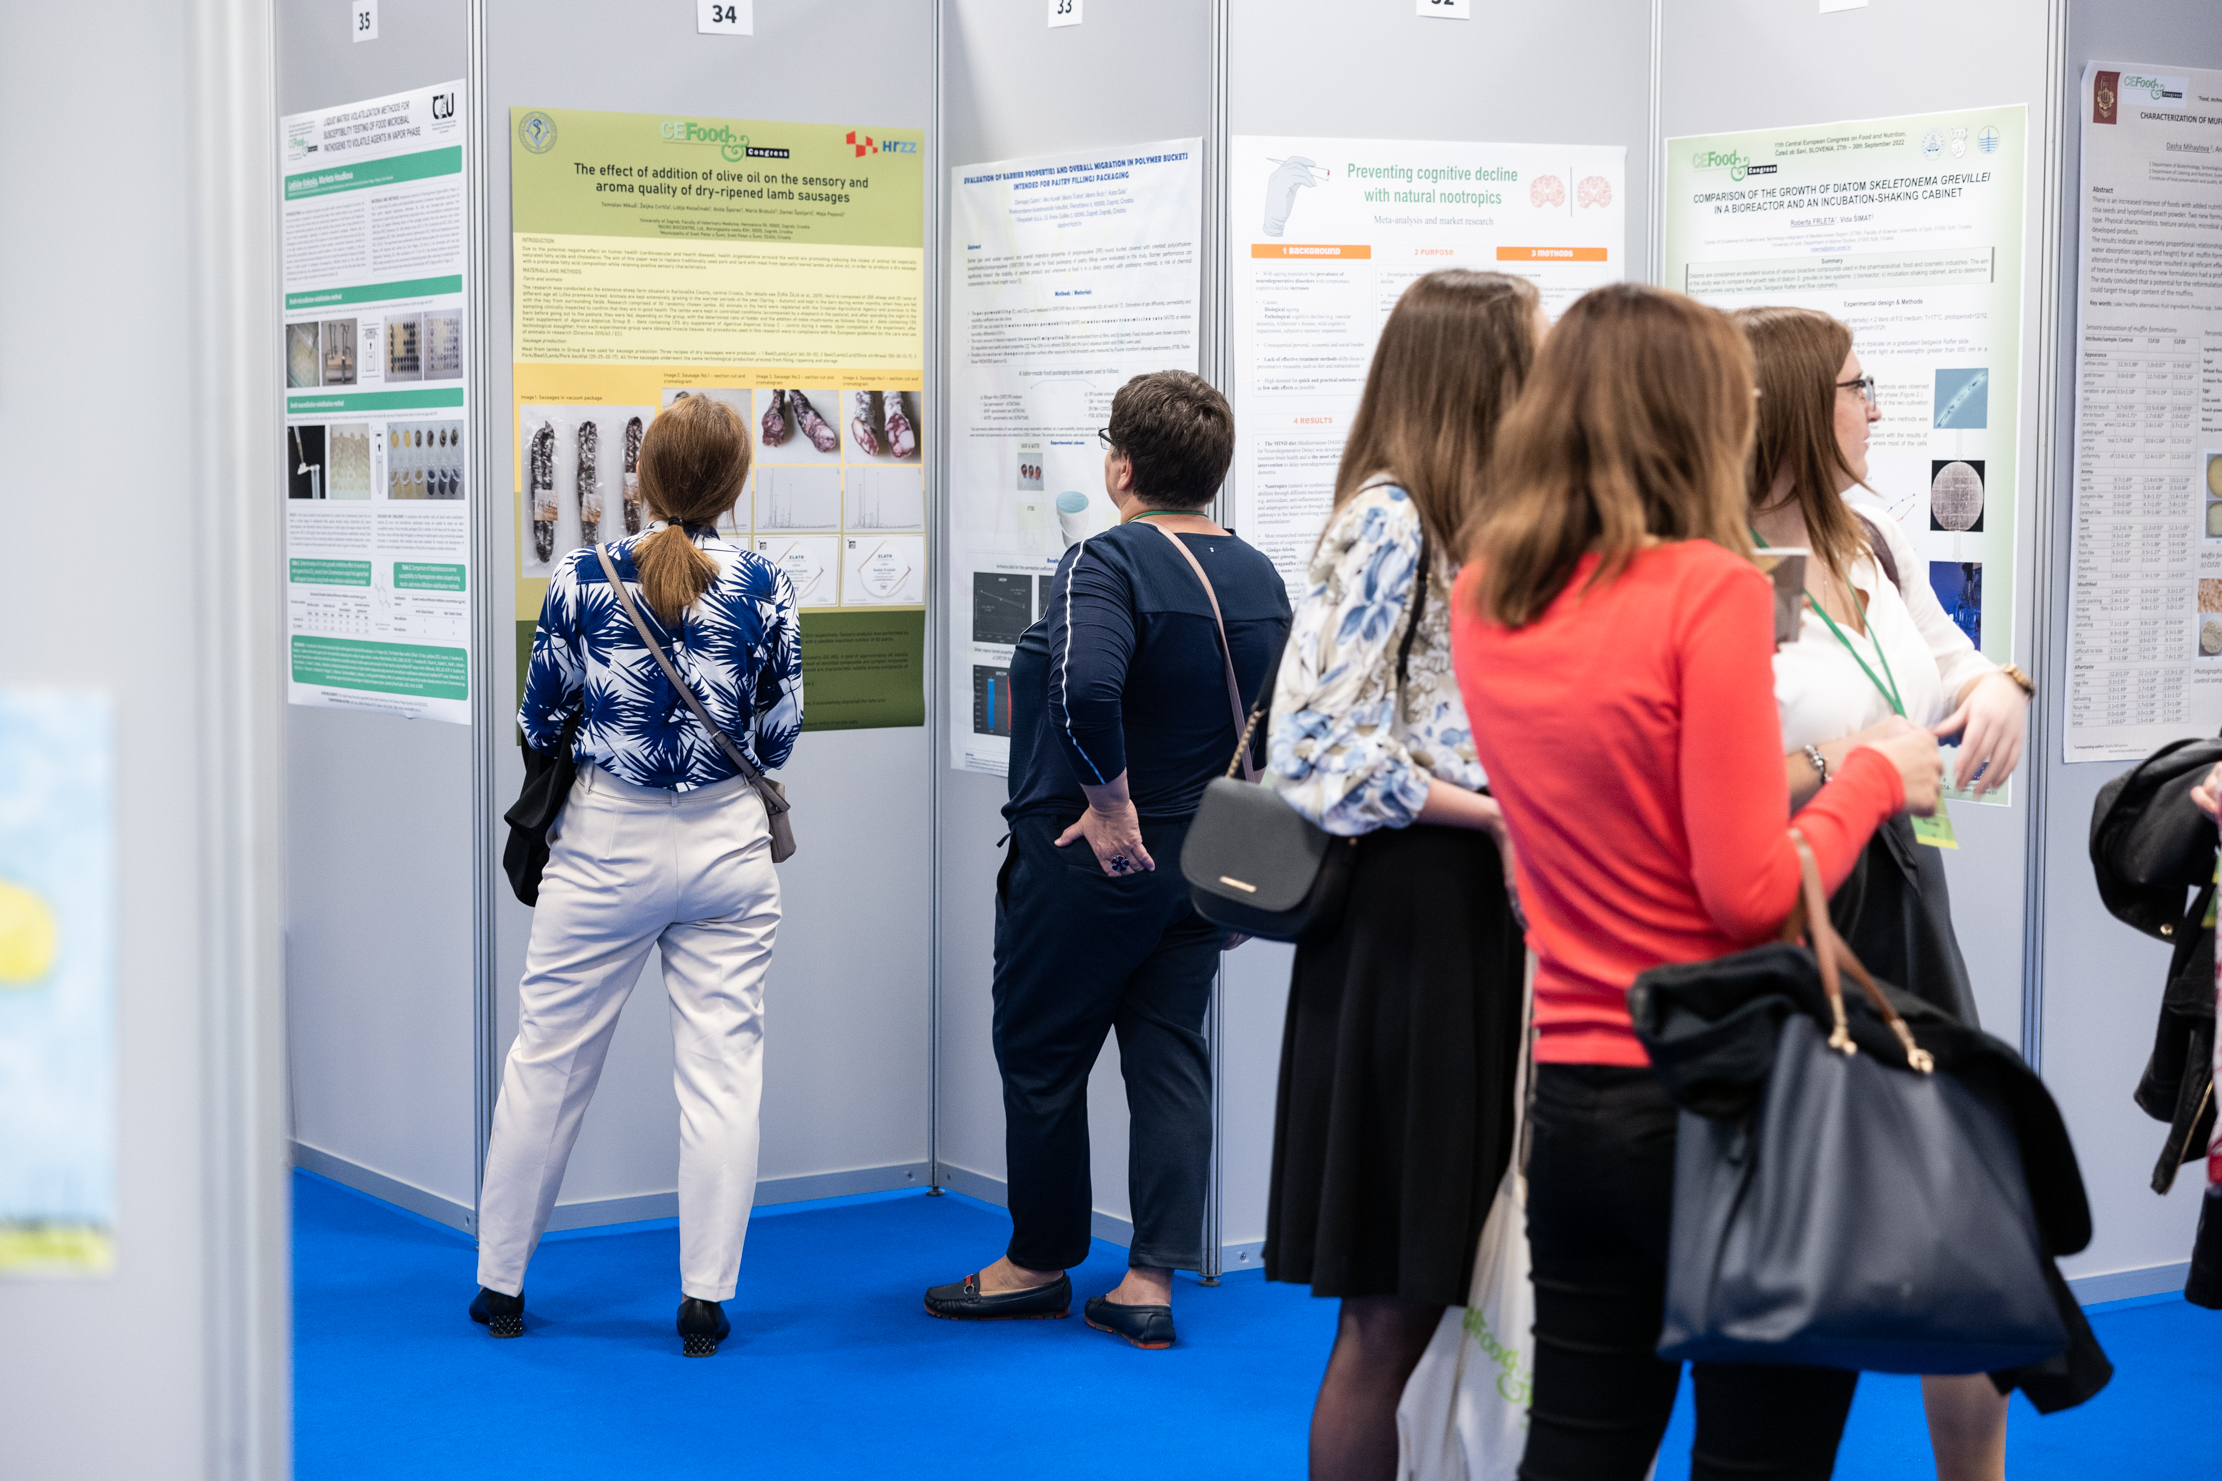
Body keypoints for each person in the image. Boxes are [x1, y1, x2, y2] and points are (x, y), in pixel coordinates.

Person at [1449, 282, 1944, 1480]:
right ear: (1696, 413)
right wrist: (1871, 776)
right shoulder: (1707, 592)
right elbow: (1747, 893)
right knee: (1760, 1453)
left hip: (1574, 1100)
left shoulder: (1488, 592)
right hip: (1732, 1094)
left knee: (1579, 1445)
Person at [924, 370, 1292, 1348]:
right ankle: (1147, 1280)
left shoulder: (1107, 559)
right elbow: (1266, 720)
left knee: (1041, 1055)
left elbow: (1086, 690)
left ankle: (1037, 1262)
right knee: (1169, 1057)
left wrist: (1112, 809)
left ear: (1121, 467)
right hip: (1200, 860)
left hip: (1094, 861)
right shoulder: (1258, 573)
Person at [1735, 305, 2035, 1479]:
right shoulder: (1726, 563)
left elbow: (1945, 657)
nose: (1872, 410)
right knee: (1806, 1244)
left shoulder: (1867, 535)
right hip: (1790, 912)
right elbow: (1705, 772)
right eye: (1856, 387)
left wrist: (1997, 681)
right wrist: (1844, 761)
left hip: (1907, 899)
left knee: (1961, 1234)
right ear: (1794, 408)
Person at [1259, 270, 1537, 1479]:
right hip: (1409, 920)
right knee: (1390, 1299)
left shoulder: (1476, 526)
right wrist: (1494, 815)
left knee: (1442, 1284)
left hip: (1467, 913)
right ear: (1482, 378)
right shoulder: (1386, 519)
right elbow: (1318, 751)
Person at [471, 393, 802, 1357]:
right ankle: (705, 1300)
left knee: (548, 1060)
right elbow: (780, 732)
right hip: (728, 847)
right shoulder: (767, 583)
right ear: (735, 482)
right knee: (724, 1074)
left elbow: (540, 720)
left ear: (644, 477)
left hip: (604, 843)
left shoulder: (581, 576)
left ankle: (501, 1282)